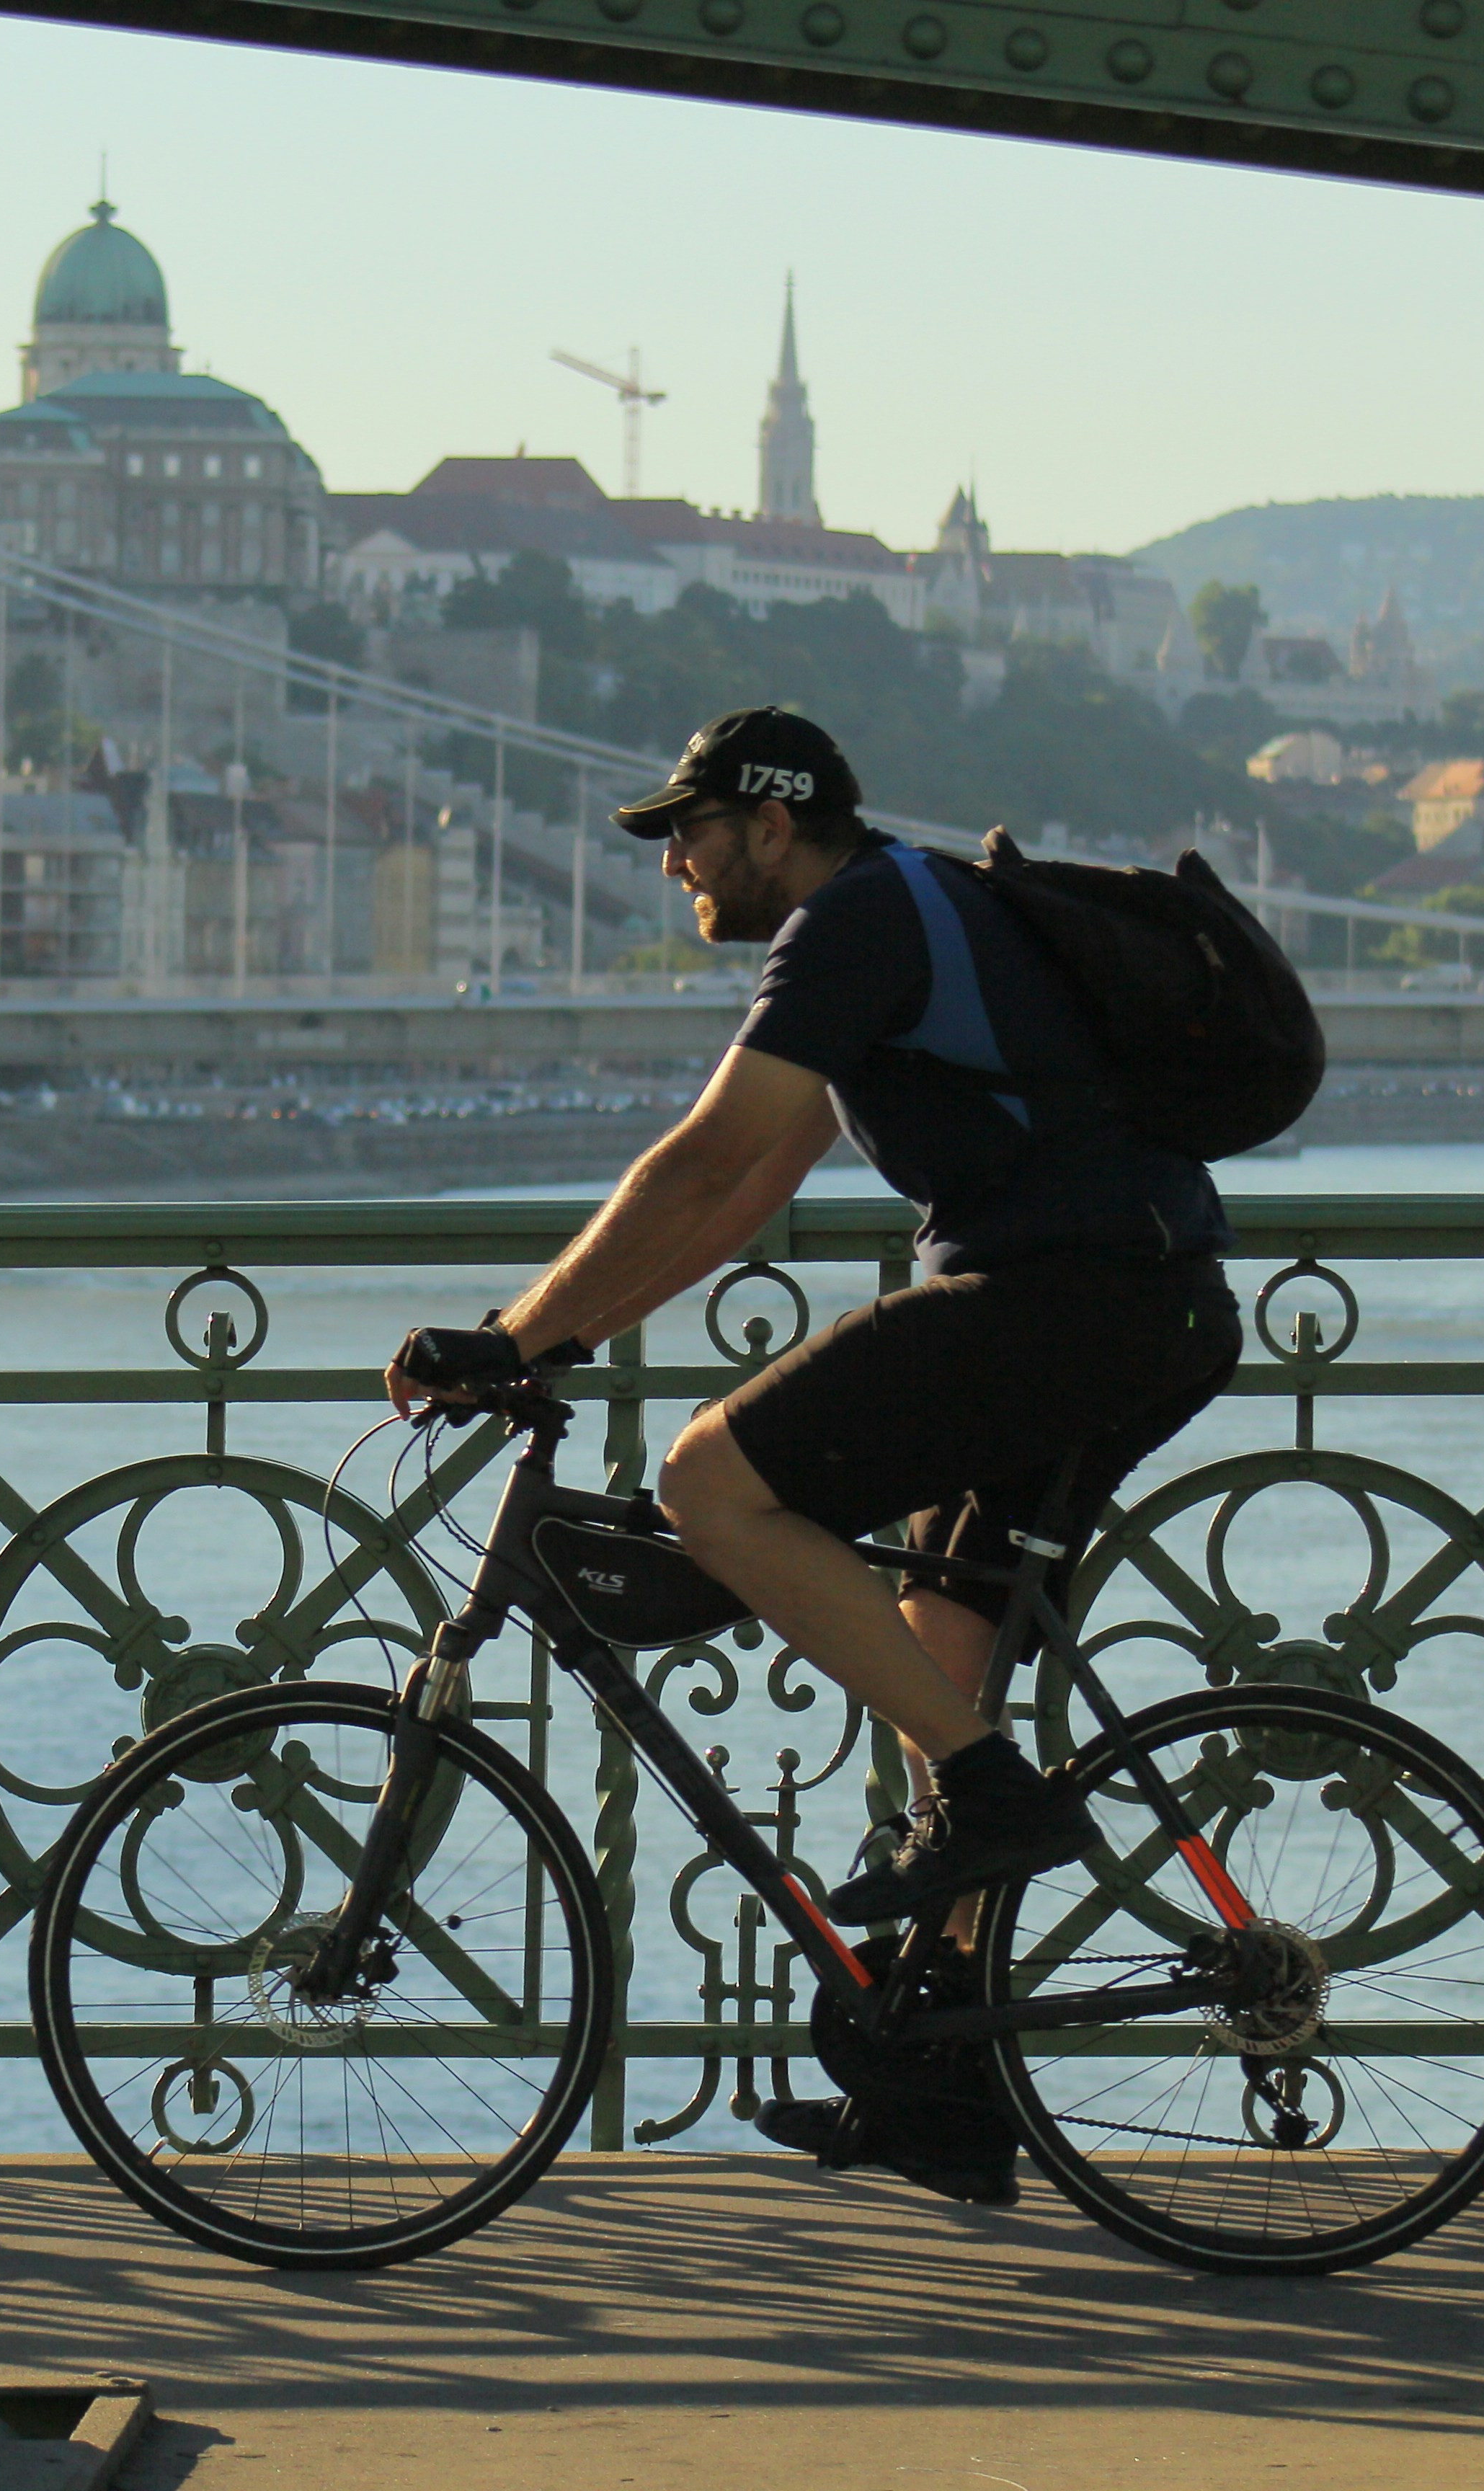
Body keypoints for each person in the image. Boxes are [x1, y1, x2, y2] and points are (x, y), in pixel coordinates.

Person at [385, 704, 1245, 2204]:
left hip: (1074, 1301)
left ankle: (998, 1797)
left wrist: (511, 1340)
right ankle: (948, 2085)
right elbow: (741, 1201)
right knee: (939, 1635)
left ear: (772, 825)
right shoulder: (906, 906)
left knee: (711, 1482)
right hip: (1138, 1301)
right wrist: (565, 1337)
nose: (675, 868)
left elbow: (706, 1159)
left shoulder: (854, 925)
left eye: (689, 835)